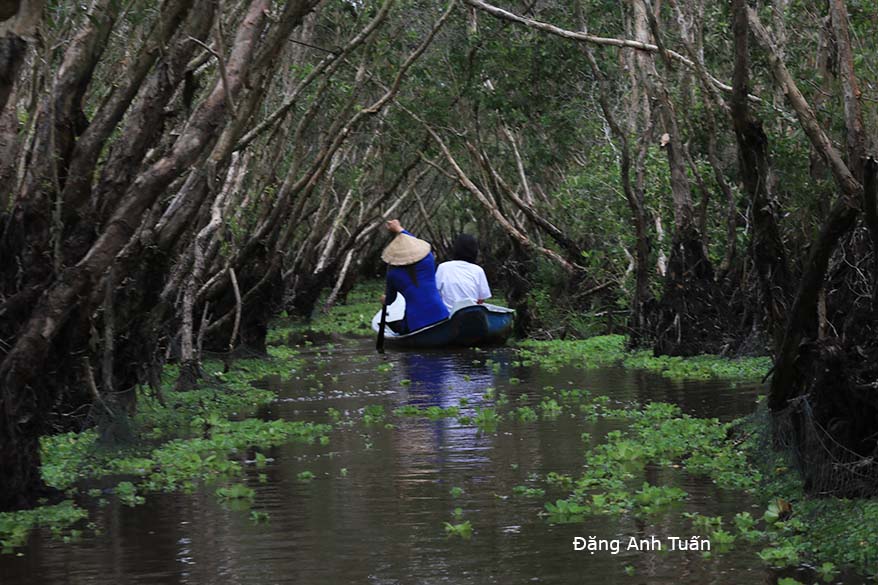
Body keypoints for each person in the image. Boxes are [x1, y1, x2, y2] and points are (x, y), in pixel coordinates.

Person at [381, 219, 449, 334]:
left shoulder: (392, 274)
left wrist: (384, 299)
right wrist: (399, 229)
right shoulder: (428, 260)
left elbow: (390, 300)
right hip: (441, 315)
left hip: (416, 323)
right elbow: (414, 242)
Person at [435, 233, 491, 312]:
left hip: (448, 314)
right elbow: (481, 299)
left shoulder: (443, 267)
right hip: (471, 314)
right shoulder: (478, 270)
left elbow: (436, 293)